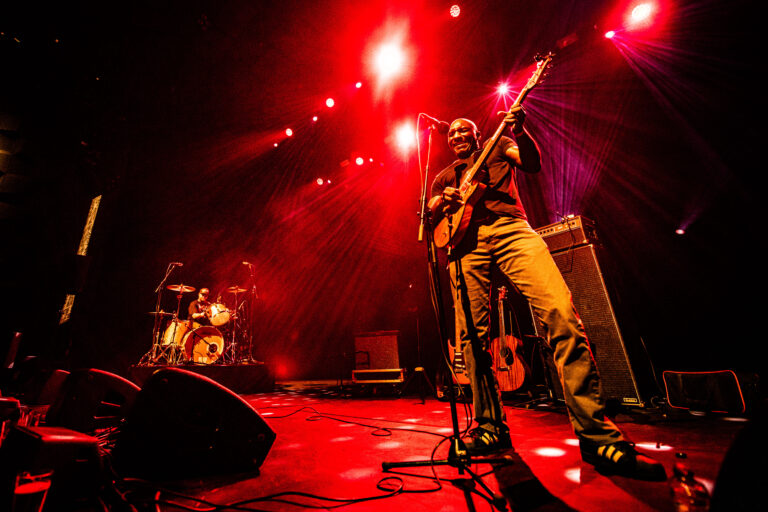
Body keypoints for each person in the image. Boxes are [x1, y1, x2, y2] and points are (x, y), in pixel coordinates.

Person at [428, 106, 665, 480]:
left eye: (464, 130)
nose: (457, 135)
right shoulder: (443, 176)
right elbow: (429, 216)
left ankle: (596, 435)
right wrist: (446, 201)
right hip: (466, 246)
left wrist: (521, 133)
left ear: (475, 134)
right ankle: (490, 427)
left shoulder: (497, 144)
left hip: (511, 230)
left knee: (559, 311)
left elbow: (531, 163)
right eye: (452, 133)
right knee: (471, 339)